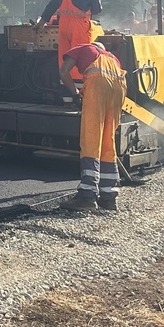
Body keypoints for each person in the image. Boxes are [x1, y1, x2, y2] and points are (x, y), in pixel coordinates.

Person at [58, 42, 127, 211]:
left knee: (92, 138)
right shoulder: (113, 58)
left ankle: (87, 196)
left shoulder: (83, 48)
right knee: (107, 141)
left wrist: (75, 92)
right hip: (119, 90)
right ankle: (108, 196)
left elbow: (63, 71)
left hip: (98, 86)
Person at [33, 0, 104, 70]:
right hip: (79, 26)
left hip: (64, 26)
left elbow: (52, 5)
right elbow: (97, 9)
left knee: (65, 57)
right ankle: (79, 84)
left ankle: (65, 83)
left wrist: (41, 22)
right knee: (81, 56)